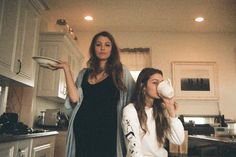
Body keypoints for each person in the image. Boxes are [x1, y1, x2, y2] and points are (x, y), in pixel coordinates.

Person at [50, 31, 135, 157]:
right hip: (82, 132)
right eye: (98, 44)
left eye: (107, 45)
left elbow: (134, 97)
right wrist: (66, 69)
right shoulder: (83, 74)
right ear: (93, 48)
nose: (102, 48)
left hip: (108, 135)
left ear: (112, 49)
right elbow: (74, 99)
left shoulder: (121, 72)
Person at [122, 68, 184, 157]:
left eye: (161, 83)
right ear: (143, 86)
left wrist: (170, 109)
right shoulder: (131, 110)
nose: (159, 86)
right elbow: (134, 149)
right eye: (155, 83)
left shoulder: (161, 110)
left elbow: (178, 140)